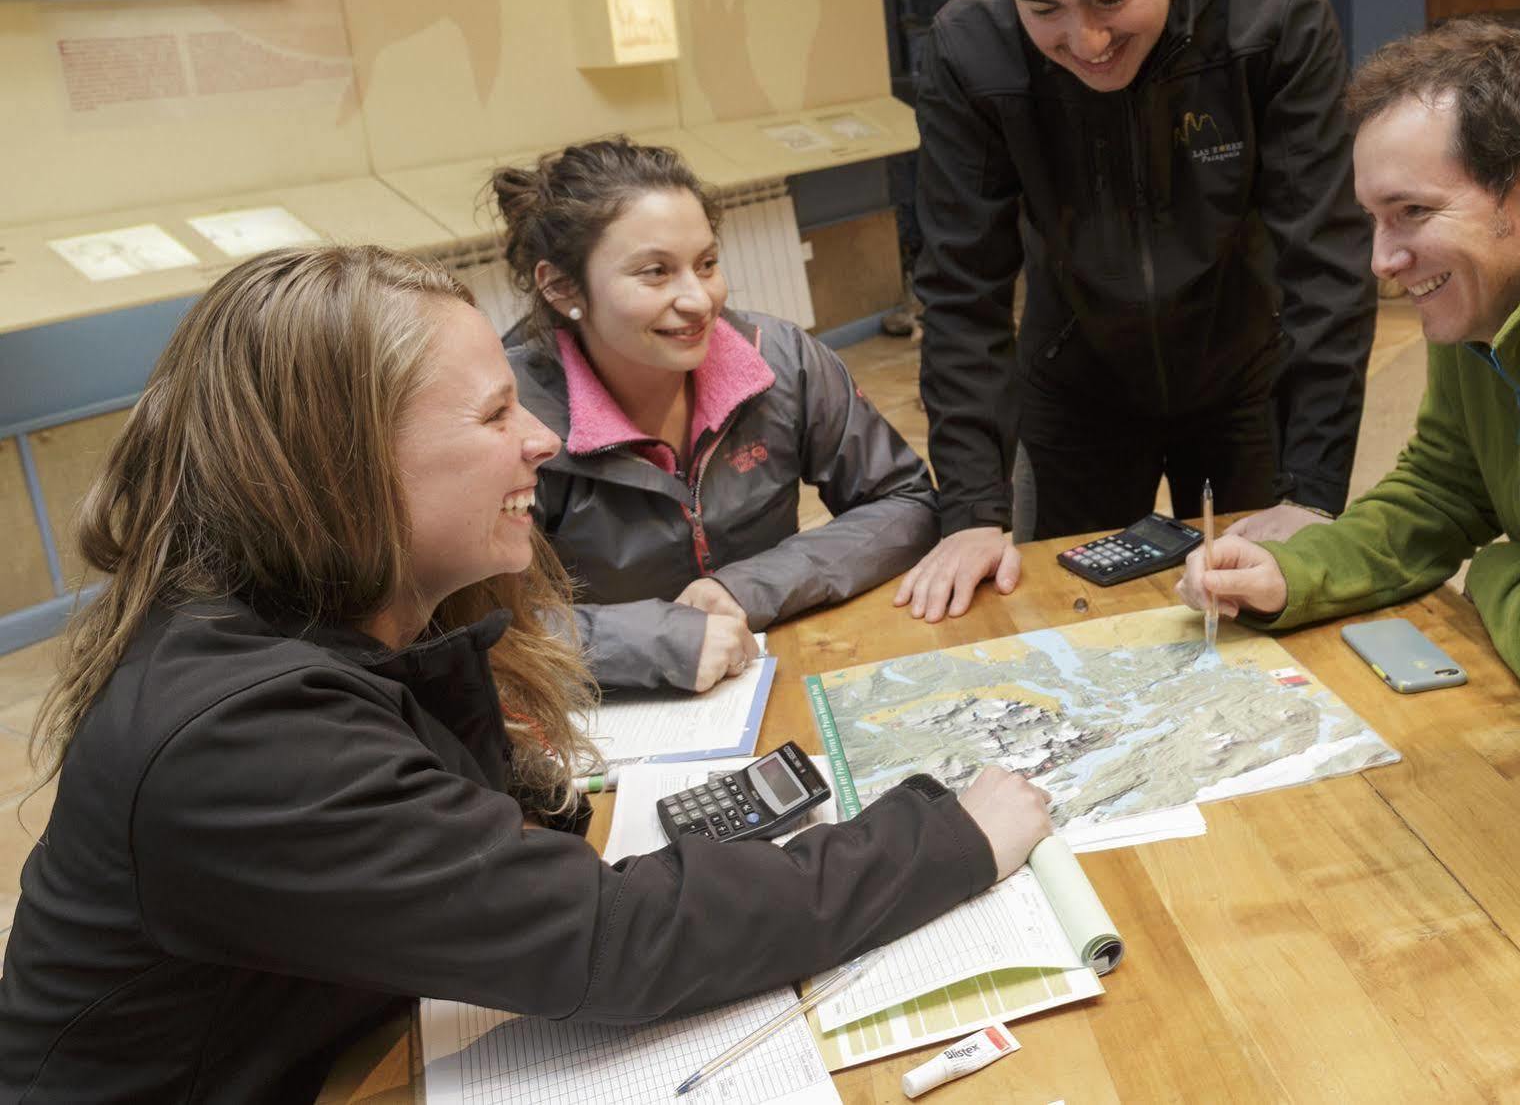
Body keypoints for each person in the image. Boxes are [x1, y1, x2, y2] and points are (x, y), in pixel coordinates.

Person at [0, 246, 1051, 1102]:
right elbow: (610, 941)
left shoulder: (320, 624)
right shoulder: (244, 737)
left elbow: (489, 849)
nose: (544, 440)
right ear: (345, 466)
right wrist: (947, 838)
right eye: (497, 415)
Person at [895, 0, 1375, 622]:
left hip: (1245, 378)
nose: (1084, 41)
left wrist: (1312, 490)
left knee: (1258, 611)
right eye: (1042, 8)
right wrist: (972, 509)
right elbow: (960, 290)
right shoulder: (967, 48)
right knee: (1069, 616)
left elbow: (1327, 265)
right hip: (1075, 385)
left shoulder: (1273, 14)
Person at [1176, 19, 1520, 721]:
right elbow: (1442, 491)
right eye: (1372, 218)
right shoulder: (1478, 300)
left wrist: (1492, 567)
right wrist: (1293, 573)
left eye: (1412, 212)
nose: (1380, 260)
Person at [495, 137, 941, 692]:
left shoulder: (779, 359)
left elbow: (905, 503)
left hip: (770, 674)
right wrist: (664, 639)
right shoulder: (510, 422)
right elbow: (486, 626)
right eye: (655, 272)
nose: (700, 300)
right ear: (562, 288)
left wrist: (745, 588)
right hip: (611, 719)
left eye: (706, 264)